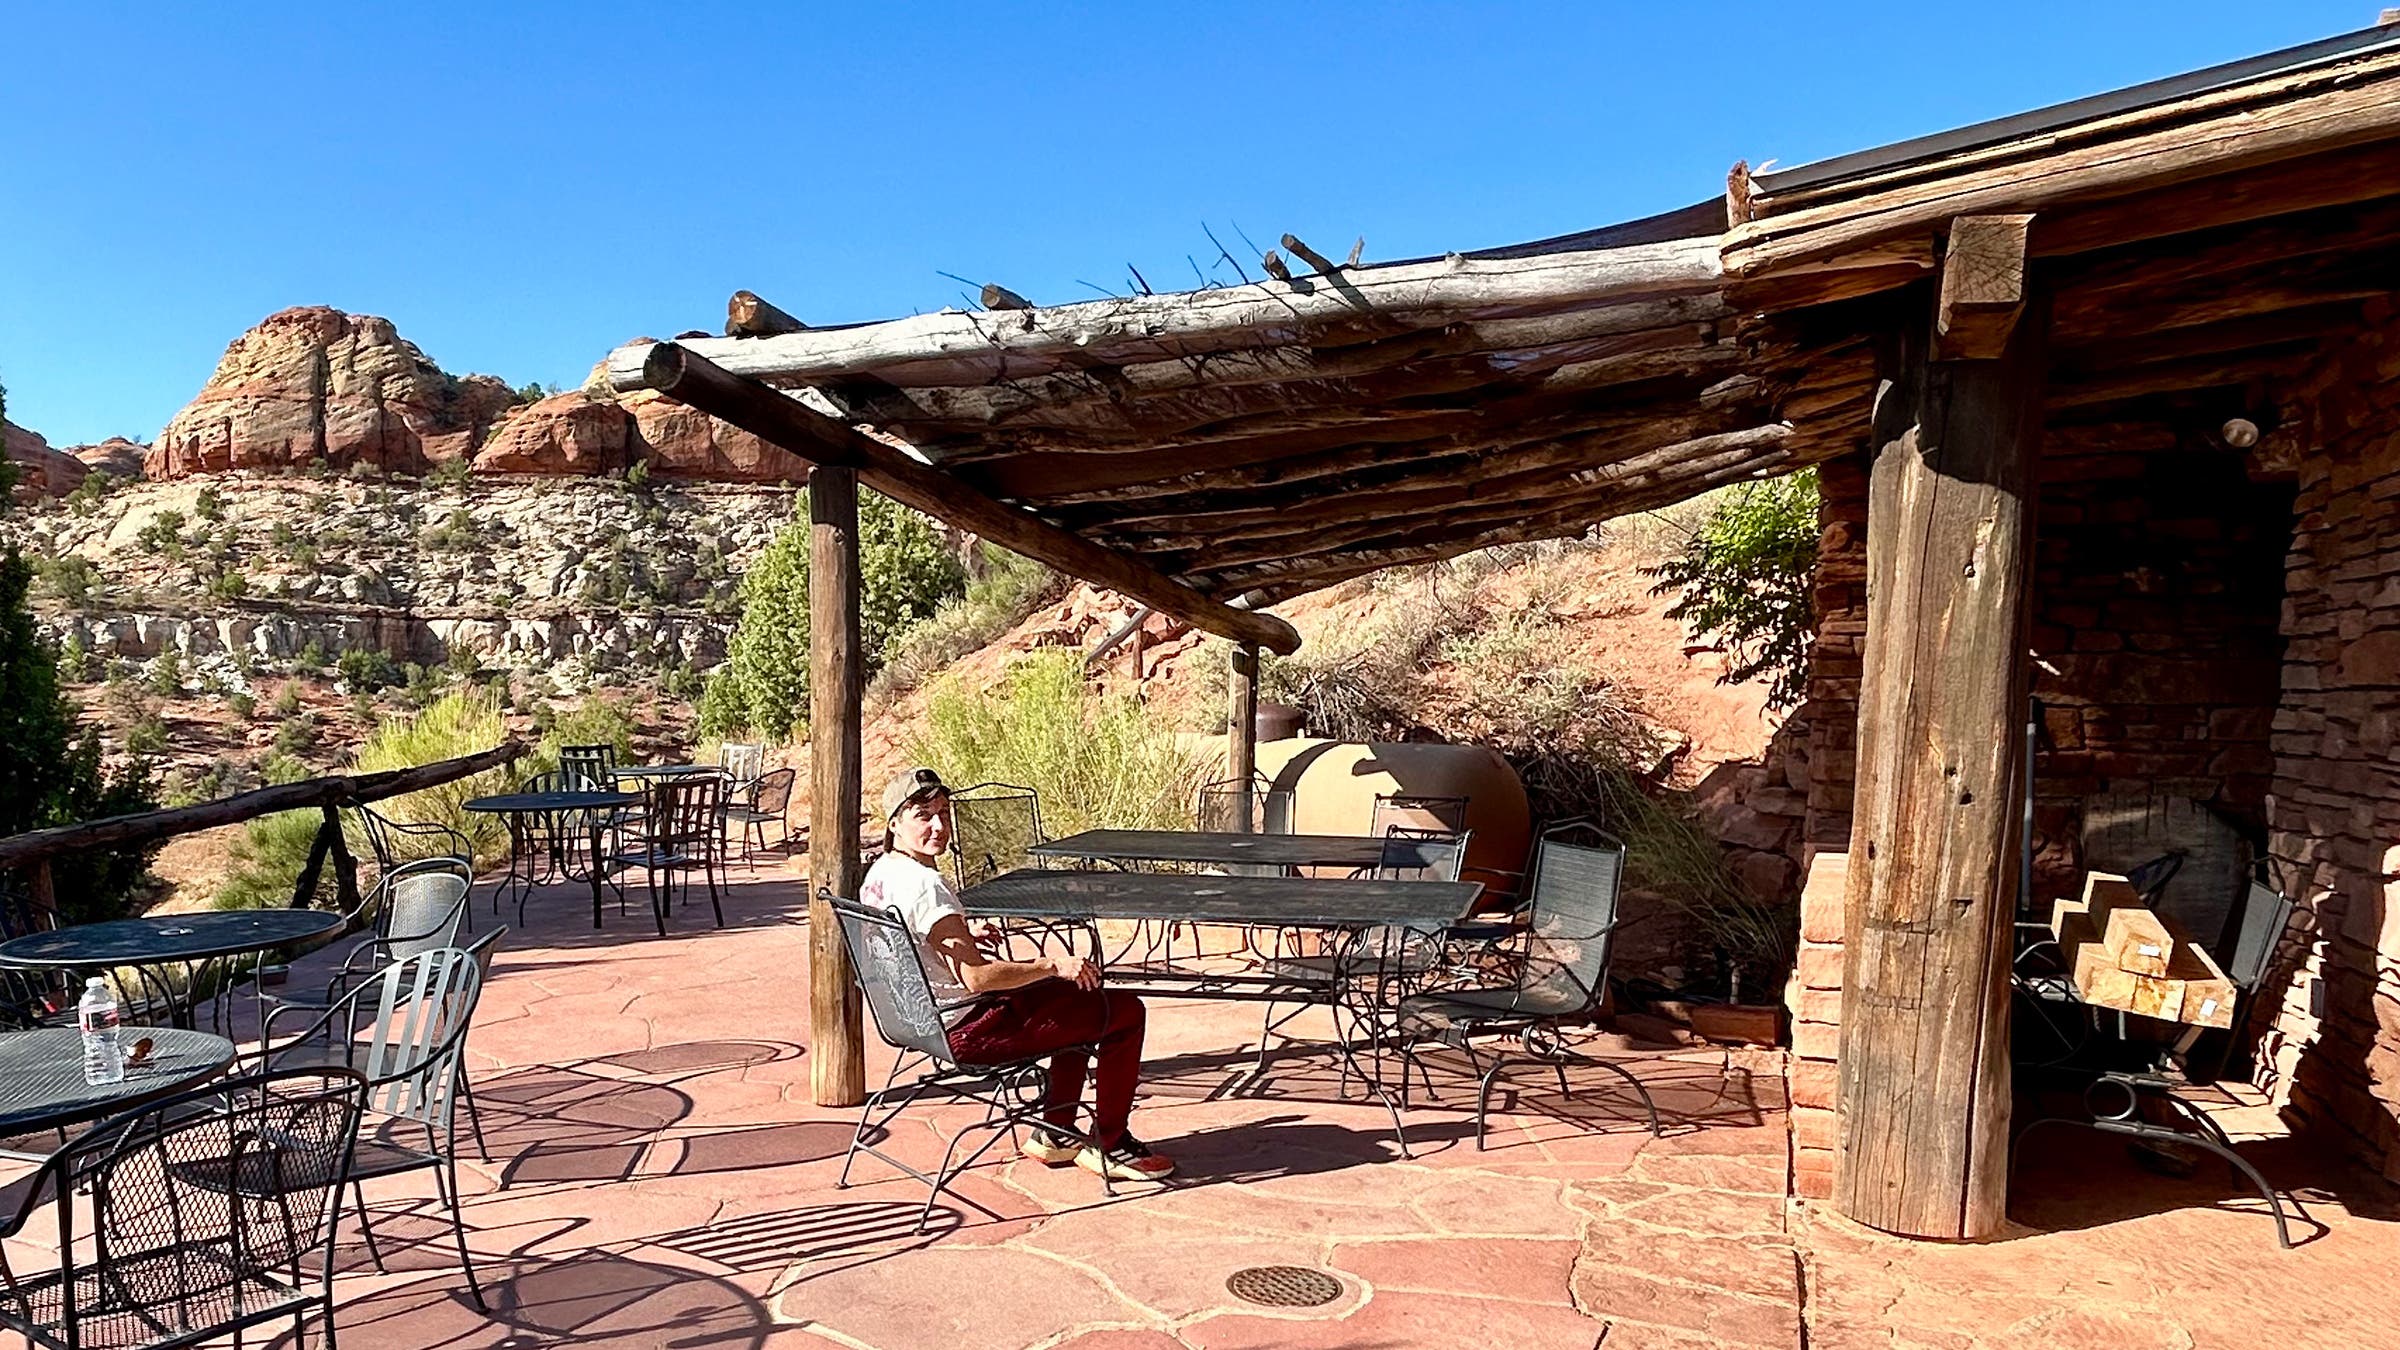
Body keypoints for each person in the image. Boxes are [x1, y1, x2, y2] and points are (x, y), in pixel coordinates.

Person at [860, 766, 1176, 1182]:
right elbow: (977, 978)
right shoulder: (925, 885)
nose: (939, 826)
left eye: (944, 813)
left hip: (917, 1021)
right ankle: (1111, 1144)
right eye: (923, 816)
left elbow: (908, 940)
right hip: (968, 1030)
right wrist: (1051, 964)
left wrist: (961, 933)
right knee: (1125, 1011)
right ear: (894, 823)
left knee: (1077, 1001)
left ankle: (1056, 1134)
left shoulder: (880, 874)